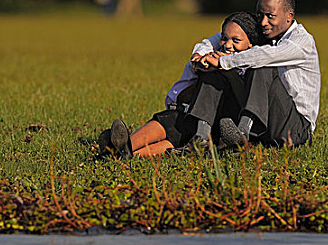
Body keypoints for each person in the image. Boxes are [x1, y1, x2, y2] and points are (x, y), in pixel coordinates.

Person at [98, 12, 266, 158]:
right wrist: (201, 63)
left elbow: (244, 101)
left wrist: (225, 67)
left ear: (251, 43)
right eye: (224, 38)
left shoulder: (253, 65)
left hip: (221, 125)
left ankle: (116, 150)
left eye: (236, 40)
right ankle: (122, 151)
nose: (228, 45)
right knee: (173, 122)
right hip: (196, 119)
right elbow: (183, 91)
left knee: (181, 128)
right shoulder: (209, 57)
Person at [183, 0, 320, 149]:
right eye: (260, 15)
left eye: (270, 16)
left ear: (289, 16)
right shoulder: (268, 30)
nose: (263, 22)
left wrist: (223, 60)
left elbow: (266, 56)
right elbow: (220, 37)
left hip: (294, 128)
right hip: (265, 118)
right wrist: (202, 55)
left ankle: (242, 134)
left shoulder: (301, 41)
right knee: (217, 71)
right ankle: (201, 136)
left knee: (261, 66)